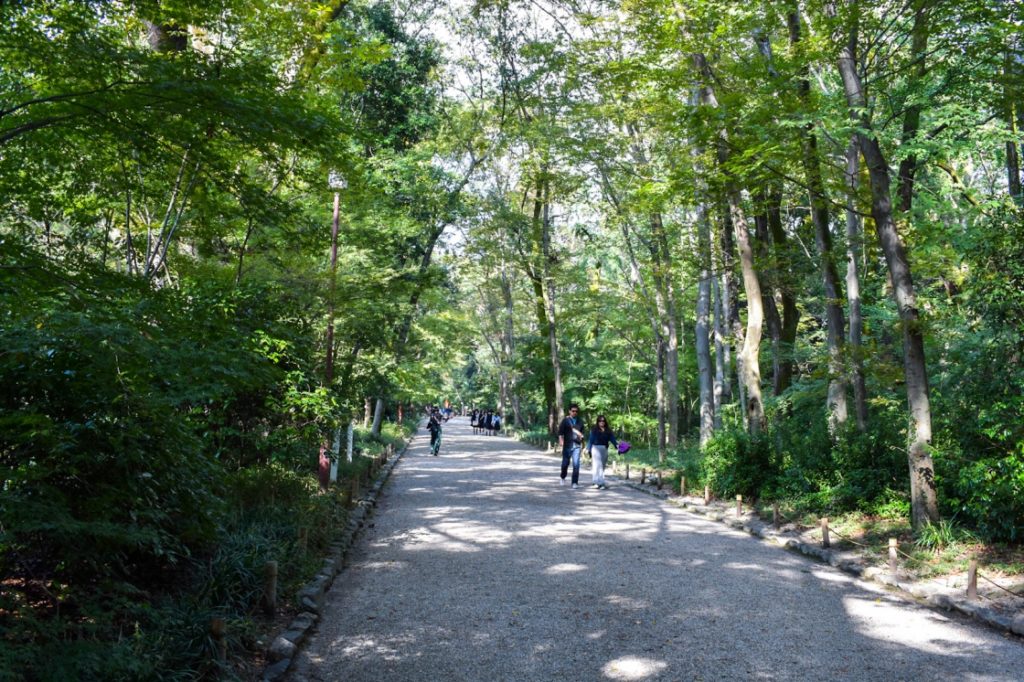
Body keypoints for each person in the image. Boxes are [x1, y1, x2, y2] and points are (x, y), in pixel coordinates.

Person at [586, 415, 618, 490]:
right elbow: (591, 440)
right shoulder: (594, 430)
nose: (602, 422)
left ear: (605, 422)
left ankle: (596, 481)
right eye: (600, 421)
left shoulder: (608, 431)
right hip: (596, 448)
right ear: (598, 422)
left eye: (603, 421)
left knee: (602, 466)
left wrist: (618, 447)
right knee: (598, 465)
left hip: (604, 449)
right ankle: (600, 483)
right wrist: (588, 448)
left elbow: (613, 440)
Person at [557, 404, 585, 488]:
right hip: (567, 445)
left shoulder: (580, 421)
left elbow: (582, 433)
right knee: (565, 463)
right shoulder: (565, 420)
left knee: (576, 464)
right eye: (573, 411)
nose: (575, 412)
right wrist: (561, 441)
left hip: (577, 445)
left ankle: (574, 482)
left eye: (576, 411)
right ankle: (562, 477)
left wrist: (583, 442)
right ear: (569, 411)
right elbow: (560, 432)